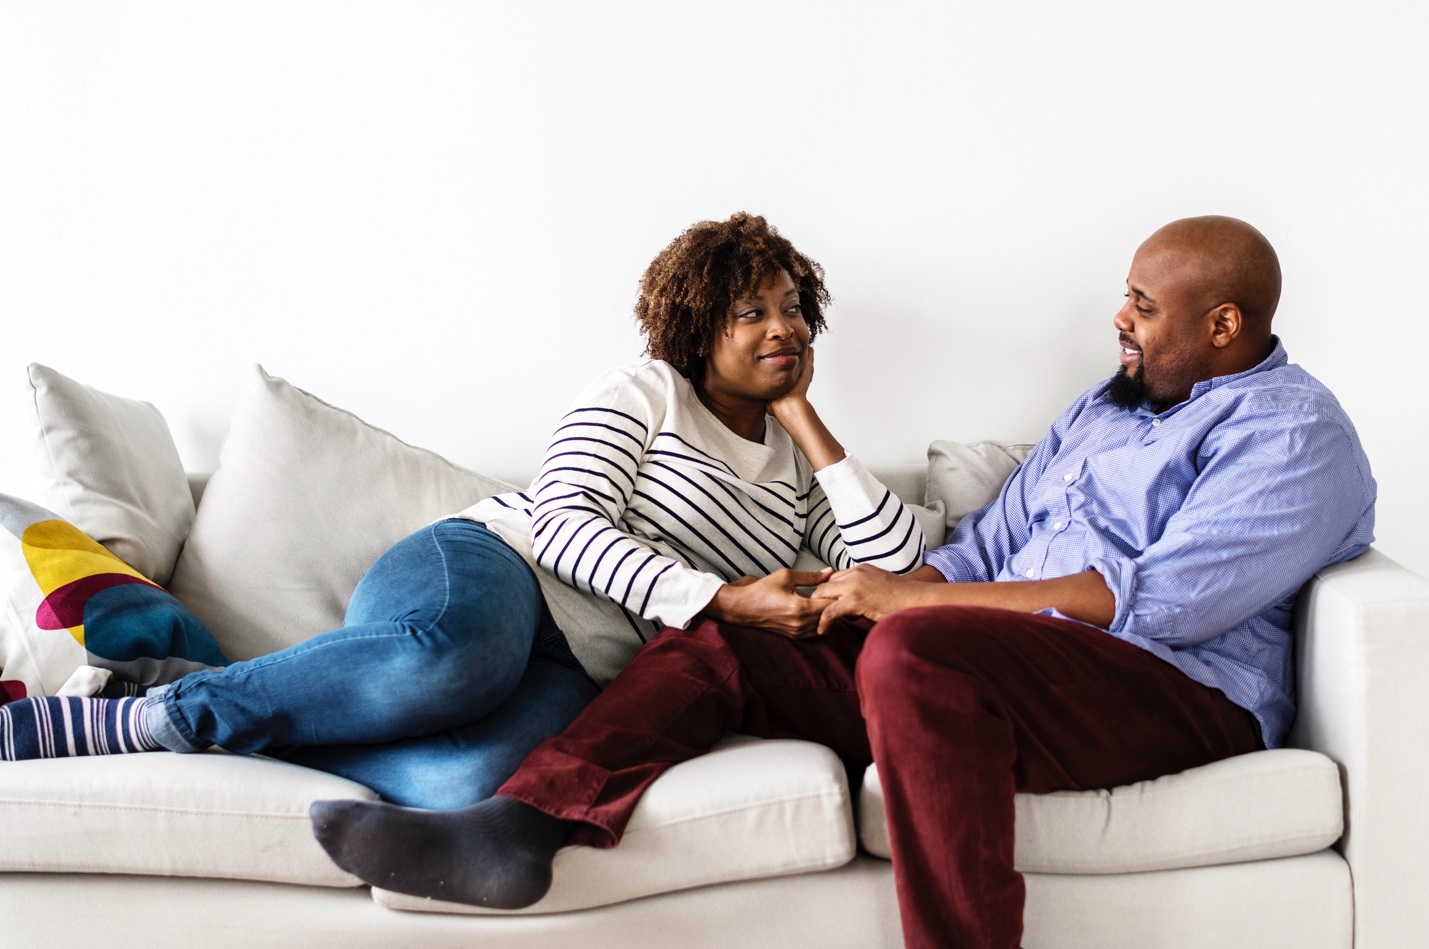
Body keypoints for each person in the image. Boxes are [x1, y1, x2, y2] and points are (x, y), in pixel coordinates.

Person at [306, 215, 1375, 949]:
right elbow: (977, 551)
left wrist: (911, 604)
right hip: (1002, 663)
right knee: (738, 632)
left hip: (1165, 688)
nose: (1119, 320)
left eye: (1140, 304)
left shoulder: (1294, 434)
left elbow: (1166, 598)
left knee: (916, 643)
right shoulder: (1103, 409)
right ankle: (519, 829)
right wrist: (856, 594)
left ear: (1222, 324)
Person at [0, 212, 926, 812]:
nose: (783, 325)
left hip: (590, 661)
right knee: (447, 661)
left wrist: (803, 419)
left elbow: (895, 568)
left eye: (793, 308)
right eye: (751, 311)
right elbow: (562, 523)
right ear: (697, 326)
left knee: (468, 781)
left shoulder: (801, 473)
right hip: (496, 566)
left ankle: (218, 713)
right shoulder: (646, 390)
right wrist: (720, 600)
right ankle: (152, 714)